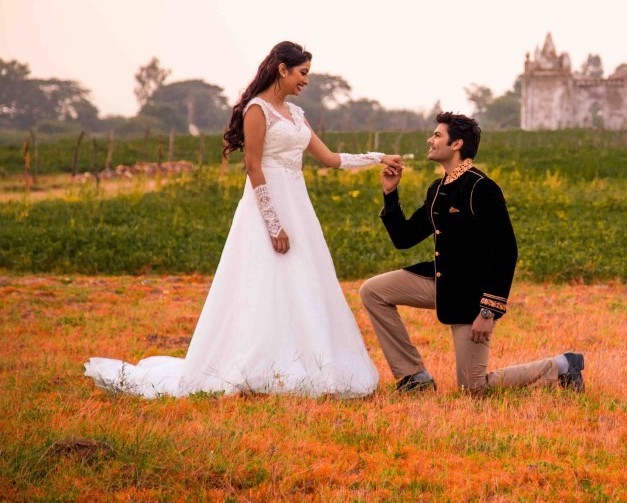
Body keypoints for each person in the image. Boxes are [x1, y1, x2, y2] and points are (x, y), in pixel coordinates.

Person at [85, 41, 402, 398]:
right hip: (267, 209)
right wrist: (272, 223)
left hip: (299, 208)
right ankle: (252, 367)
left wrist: (378, 158)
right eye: (302, 73)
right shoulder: (257, 110)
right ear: (282, 69)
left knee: (304, 283)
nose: (306, 81)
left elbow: (329, 158)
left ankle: (309, 362)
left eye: (307, 74)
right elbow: (253, 167)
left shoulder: (297, 115)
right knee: (262, 282)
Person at [360, 112, 585, 394]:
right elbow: (404, 238)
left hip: (472, 297)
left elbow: (506, 251)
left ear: (457, 144)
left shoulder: (482, 188)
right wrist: (390, 194)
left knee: (473, 389)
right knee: (372, 291)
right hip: (440, 282)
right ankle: (413, 377)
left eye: (437, 135)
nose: (430, 140)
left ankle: (562, 366)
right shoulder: (438, 189)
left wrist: (488, 310)